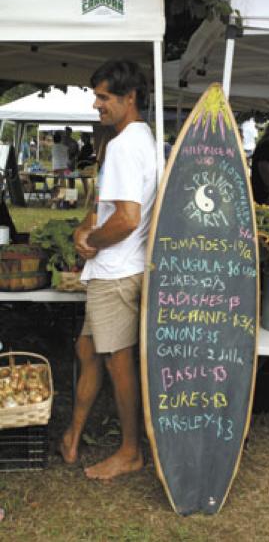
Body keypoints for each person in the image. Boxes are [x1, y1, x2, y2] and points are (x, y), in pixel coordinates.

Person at [60, 59, 157, 480]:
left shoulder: (122, 145)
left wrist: (91, 243)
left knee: (120, 364)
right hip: (118, 271)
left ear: (129, 97)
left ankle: (131, 451)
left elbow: (128, 218)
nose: (95, 105)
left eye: (103, 97)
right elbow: (109, 208)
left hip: (116, 273)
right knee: (88, 352)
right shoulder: (142, 138)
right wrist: (88, 227)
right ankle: (73, 436)